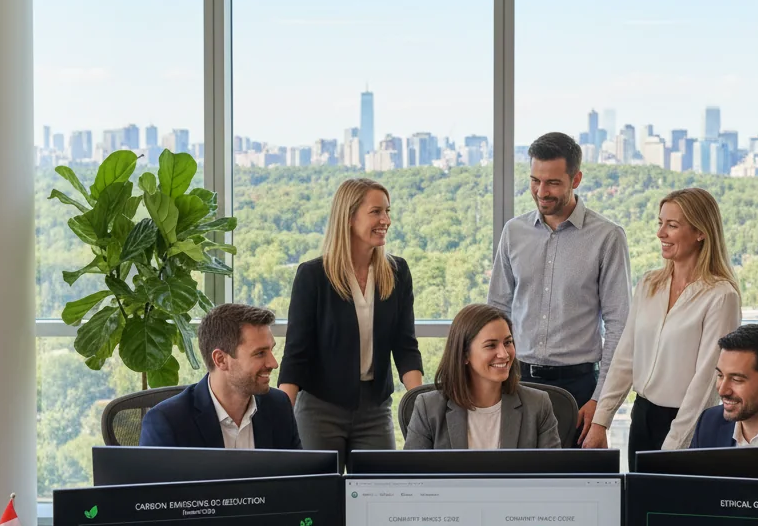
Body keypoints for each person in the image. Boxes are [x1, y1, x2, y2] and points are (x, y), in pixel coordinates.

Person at [487, 132, 631, 444]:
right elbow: (496, 313)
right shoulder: (513, 232)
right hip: (516, 382)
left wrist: (600, 404)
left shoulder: (606, 237)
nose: (541, 191)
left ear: (576, 178)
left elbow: (619, 324)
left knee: (573, 486)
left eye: (553, 182)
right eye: (535, 180)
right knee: (512, 482)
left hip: (577, 391)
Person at [584, 187, 741, 465]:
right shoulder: (649, 285)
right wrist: (601, 421)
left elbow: (705, 383)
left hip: (687, 423)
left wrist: (673, 447)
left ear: (700, 232)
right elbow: (625, 357)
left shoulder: (721, 296)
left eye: (672, 225)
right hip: (642, 417)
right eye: (660, 223)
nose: (660, 233)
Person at [278, 178, 423, 461]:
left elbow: (405, 345)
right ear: (348, 218)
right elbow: (296, 353)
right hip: (320, 407)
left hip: (375, 407)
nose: (386, 220)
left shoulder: (397, 272)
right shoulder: (313, 276)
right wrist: (280, 418)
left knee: (379, 493)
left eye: (388, 211)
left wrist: (420, 402)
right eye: (376, 212)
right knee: (318, 493)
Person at [140, 304, 301, 449]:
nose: (273, 363)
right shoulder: (168, 422)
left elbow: (297, 478)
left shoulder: (278, 406)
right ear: (221, 359)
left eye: (271, 350)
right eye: (260, 353)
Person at [404, 304, 561, 450]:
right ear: (464, 354)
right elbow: (411, 476)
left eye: (508, 342)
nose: (504, 354)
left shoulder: (538, 405)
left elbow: (554, 476)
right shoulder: (428, 408)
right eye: (491, 345)